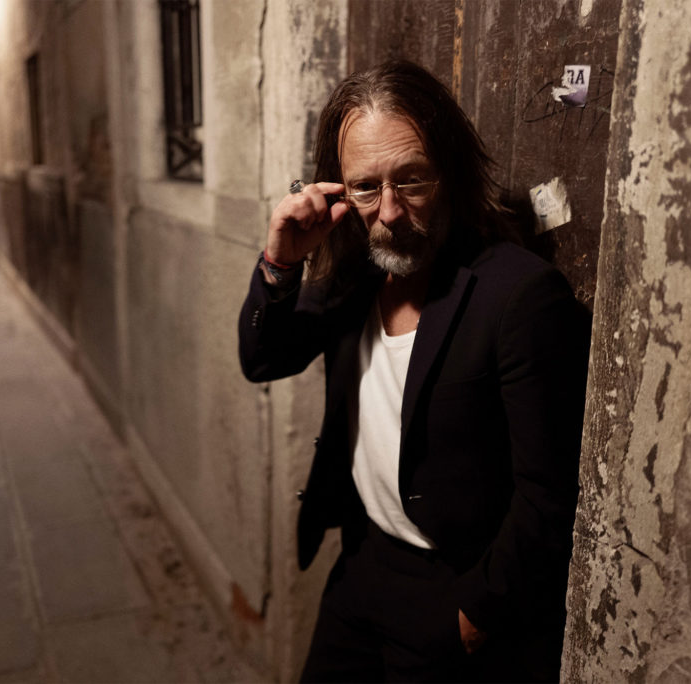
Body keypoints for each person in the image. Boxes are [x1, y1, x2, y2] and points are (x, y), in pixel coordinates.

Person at [238, 60, 590, 682]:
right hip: (361, 566)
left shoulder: (517, 294)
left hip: (452, 588)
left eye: (413, 180)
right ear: (339, 192)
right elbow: (263, 358)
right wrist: (279, 265)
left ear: (448, 172)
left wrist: (472, 617)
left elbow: (548, 494)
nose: (391, 211)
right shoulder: (353, 275)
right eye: (367, 188)